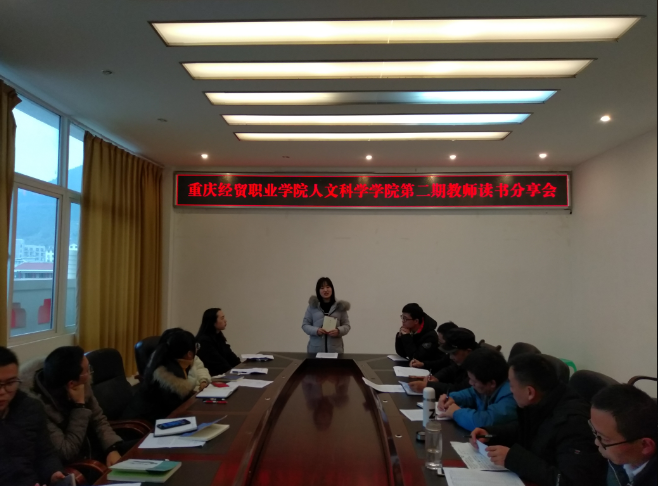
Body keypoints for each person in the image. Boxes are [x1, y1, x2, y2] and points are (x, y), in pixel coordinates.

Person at [471, 353, 607, 486]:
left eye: (511, 385)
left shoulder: (573, 423)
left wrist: (514, 459)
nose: (510, 390)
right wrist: (490, 434)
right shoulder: (546, 400)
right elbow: (525, 430)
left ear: (529, 392)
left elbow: (570, 482)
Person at [19, 346, 126, 466]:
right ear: (71, 384)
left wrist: (111, 448)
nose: (90, 373)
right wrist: (80, 407)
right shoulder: (37, 407)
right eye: (88, 370)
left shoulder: (81, 384)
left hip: (98, 449)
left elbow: (98, 419)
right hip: (82, 465)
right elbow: (66, 452)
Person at [0, 346, 65, 486]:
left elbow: (45, 454)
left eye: (10, 383)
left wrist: (53, 473)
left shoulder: (31, 408)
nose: (3, 392)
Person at [124, 328, 210, 422]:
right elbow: (175, 410)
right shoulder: (170, 375)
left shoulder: (165, 361)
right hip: (142, 425)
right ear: (189, 354)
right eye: (196, 346)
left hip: (154, 419)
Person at [436, 347, 517, 431]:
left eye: (474, 381)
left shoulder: (511, 396)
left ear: (492, 383)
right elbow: (471, 393)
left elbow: (484, 423)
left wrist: (456, 413)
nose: (470, 383)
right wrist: (451, 398)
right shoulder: (486, 387)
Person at [590, 385, 657, 486]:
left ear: (645, 445)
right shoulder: (619, 455)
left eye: (604, 439)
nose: (596, 442)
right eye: (595, 431)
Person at [408, 328, 478, 394]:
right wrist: (436, 377)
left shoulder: (478, 367)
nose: (450, 357)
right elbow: (450, 370)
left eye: (454, 353)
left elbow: (460, 389)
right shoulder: (463, 359)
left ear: (468, 351)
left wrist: (429, 386)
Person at [302, 277, 351, 354]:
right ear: (318, 290)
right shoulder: (312, 307)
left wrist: (338, 331)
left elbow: (347, 326)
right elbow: (305, 325)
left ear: (332, 289)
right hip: (315, 351)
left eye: (328, 287)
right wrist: (316, 330)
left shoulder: (340, 306)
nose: (325, 290)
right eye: (322, 288)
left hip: (335, 351)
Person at [196, 307, 241, 376]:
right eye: (222, 318)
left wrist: (241, 368)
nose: (225, 320)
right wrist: (235, 374)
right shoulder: (204, 341)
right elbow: (219, 363)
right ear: (213, 322)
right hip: (212, 377)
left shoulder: (219, 336)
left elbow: (231, 357)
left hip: (223, 374)